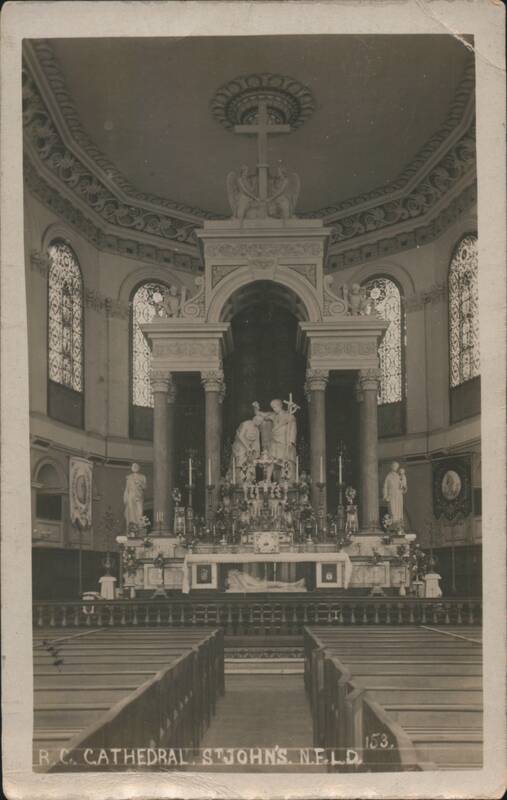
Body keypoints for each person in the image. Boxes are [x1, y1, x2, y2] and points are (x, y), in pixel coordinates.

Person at [383, 461, 407, 529]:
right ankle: (393, 526)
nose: (395, 467)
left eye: (396, 466)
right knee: (392, 511)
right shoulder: (388, 476)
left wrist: (403, 484)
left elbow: (403, 487)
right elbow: (385, 486)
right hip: (391, 496)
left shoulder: (399, 476)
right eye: (394, 466)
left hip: (398, 496)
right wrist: (385, 496)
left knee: (399, 512)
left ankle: (398, 527)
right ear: (391, 467)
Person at [123, 463, 147, 533]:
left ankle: (140, 528)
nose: (135, 467)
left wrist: (140, 483)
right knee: (131, 513)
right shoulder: (129, 477)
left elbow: (145, 487)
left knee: (140, 512)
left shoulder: (143, 477)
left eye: (136, 466)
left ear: (139, 468)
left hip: (139, 496)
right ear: (131, 468)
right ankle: (132, 527)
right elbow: (126, 488)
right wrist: (125, 497)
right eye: (133, 466)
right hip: (131, 496)